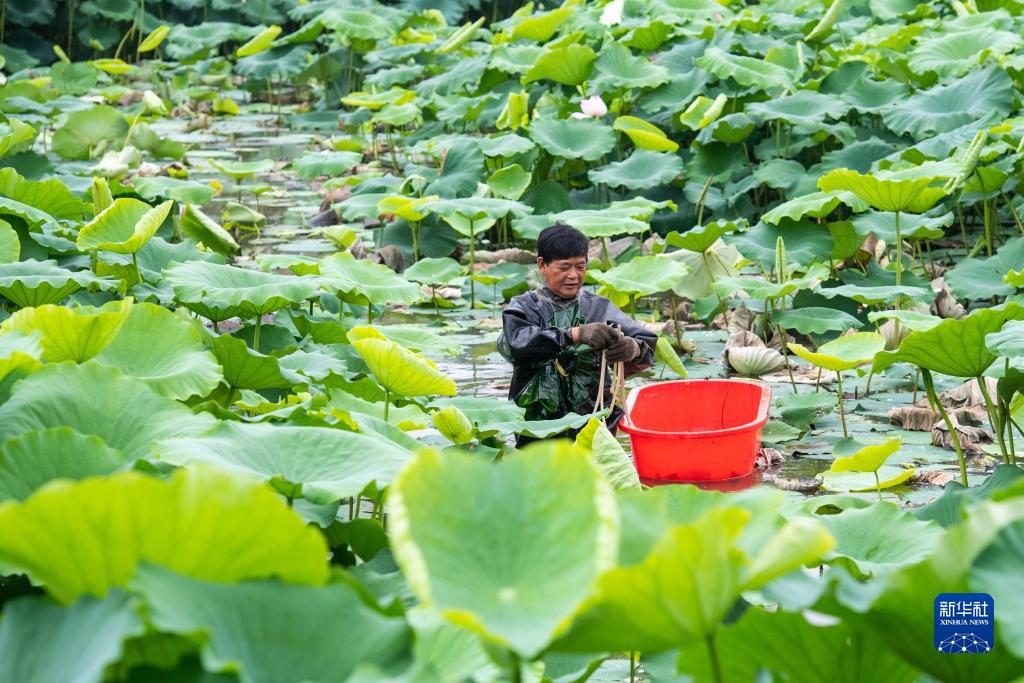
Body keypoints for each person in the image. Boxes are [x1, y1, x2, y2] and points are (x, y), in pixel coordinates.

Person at [497, 224, 657, 445]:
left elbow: (646, 343)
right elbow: (518, 343)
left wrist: (633, 348)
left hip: (591, 417)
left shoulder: (599, 308)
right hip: (537, 422)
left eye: (580, 267)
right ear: (542, 265)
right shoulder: (524, 307)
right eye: (564, 267)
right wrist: (574, 334)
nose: (573, 275)